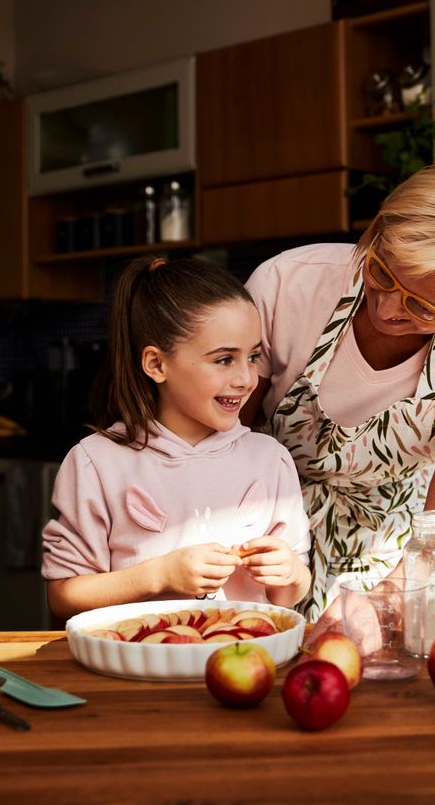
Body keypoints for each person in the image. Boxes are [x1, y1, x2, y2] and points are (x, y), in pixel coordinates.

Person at [241, 158, 435, 625]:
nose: (386, 308)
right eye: (381, 272)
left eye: (421, 305)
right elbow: (219, 439)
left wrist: (384, 604)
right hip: (264, 550)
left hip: (400, 562)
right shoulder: (288, 284)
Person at [42, 256, 311, 621]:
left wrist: (293, 576)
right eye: (223, 360)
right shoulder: (96, 462)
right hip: (137, 668)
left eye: (253, 357)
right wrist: (157, 576)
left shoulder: (270, 460)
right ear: (156, 364)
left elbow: (288, 595)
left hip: (246, 661)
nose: (247, 378)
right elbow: (62, 597)